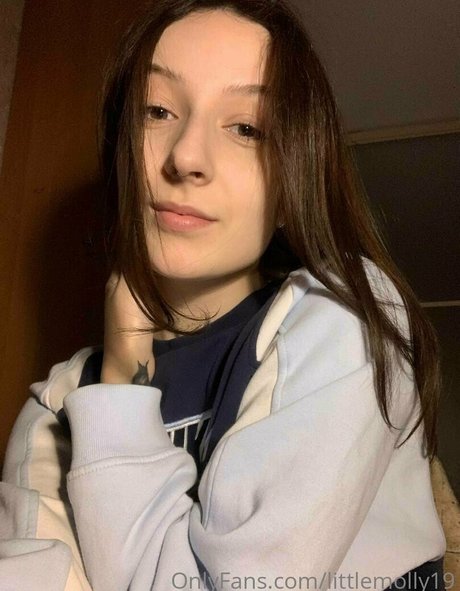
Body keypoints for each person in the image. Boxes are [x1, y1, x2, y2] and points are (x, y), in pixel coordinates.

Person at [0, 1, 447, 590]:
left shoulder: (342, 315)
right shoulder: (57, 404)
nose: (185, 156)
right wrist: (117, 372)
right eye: (157, 110)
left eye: (246, 128)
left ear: (292, 183)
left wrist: (121, 390)